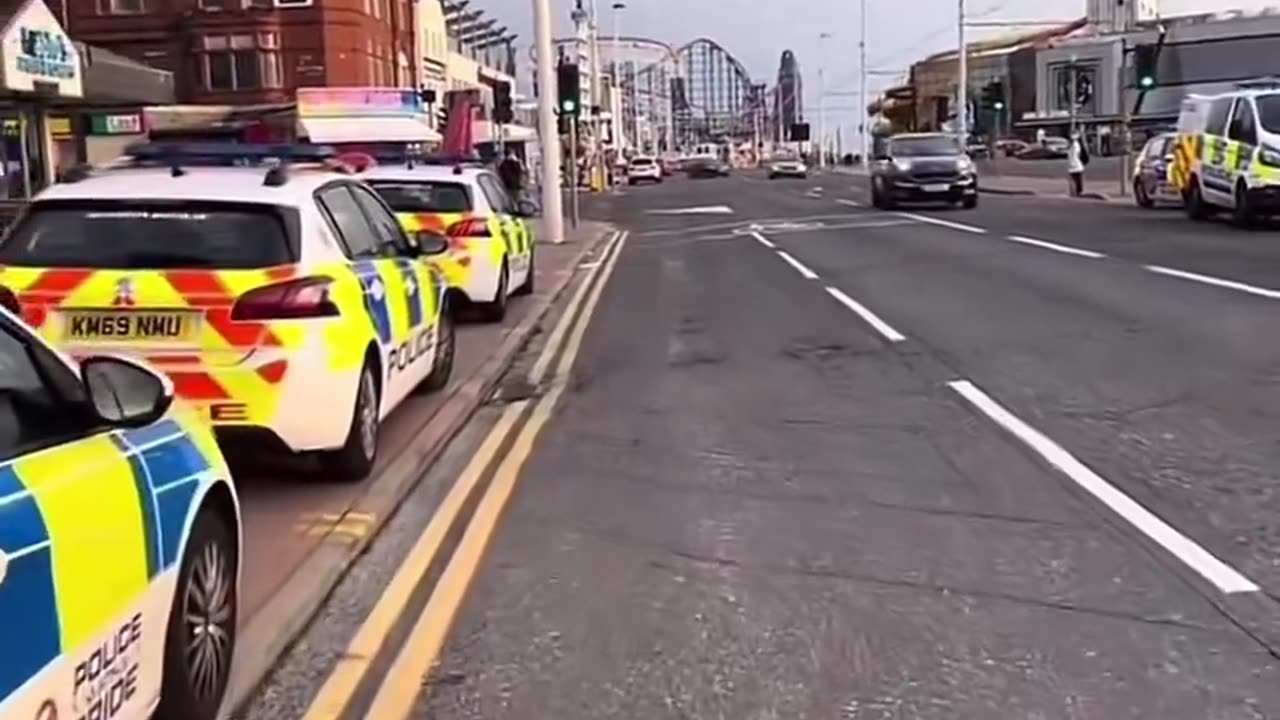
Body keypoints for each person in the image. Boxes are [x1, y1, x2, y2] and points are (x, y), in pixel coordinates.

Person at [1067, 131, 1088, 197]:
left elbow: (1076, 154)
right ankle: (1077, 193)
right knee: (1078, 183)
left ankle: (1076, 193)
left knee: (1076, 183)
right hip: (1076, 167)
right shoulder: (1075, 145)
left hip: (1074, 167)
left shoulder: (1074, 145)